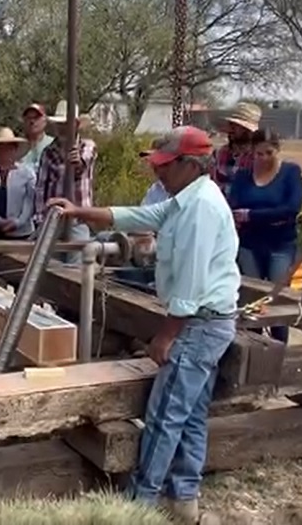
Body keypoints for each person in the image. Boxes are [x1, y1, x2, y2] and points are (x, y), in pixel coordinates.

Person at [48, 126, 239, 524]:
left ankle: (140, 505)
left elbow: (189, 287)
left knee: (165, 414)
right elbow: (140, 215)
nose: (158, 174)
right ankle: (184, 499)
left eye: (165, 167)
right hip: (206, 321)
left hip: (198, 324)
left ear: (190, 164)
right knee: (189, 412)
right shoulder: (184, 198)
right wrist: (79, 211)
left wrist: (165, 337)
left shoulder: (199, 208)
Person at [228, 129, 302, 343]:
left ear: (277, 150)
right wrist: (270, 216)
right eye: (258, 154)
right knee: (251, 297)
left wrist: (251, 215)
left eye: (268, 153)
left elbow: (291, 208)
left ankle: (280, 346)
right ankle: (255, 345)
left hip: (280, 243)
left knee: (277, 297)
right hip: (249, 244)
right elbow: (234, 205)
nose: (262, 159)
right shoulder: (243, 176)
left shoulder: (290, 172)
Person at [33, 100, 98, 260]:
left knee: (76, 268)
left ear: (76, 125)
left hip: (78, 218)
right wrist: (40, 216)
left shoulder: (86, 146)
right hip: (53, 219)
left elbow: (81, 165)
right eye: (59, 124)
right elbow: (42, 187)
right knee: (48, 266)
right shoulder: (48, 152)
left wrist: (76, 162)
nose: (62, 129)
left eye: (66, 124)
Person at [0, 127, 36, 240]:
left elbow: (30, 202)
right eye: (2, 148)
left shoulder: (27, 173)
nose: (6, 151)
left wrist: (18, 222)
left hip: (21, 232)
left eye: (10, 148)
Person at [211, 102, 261, 196]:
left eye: (236, 126)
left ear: (248, 130)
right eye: (231, 125)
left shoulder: (258, 156)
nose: (231, 129)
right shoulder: (220, 153)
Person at [18, 103, 54, 172]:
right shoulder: (18, 146)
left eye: (36, 118)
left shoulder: (52, 144)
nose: (32, 121)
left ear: (45, 120)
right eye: (29, 118)